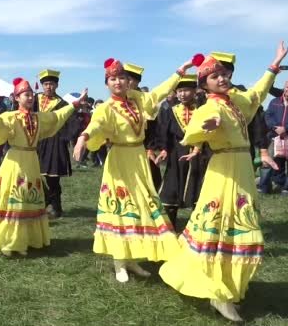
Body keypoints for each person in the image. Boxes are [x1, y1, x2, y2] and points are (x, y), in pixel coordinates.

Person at [159, 42, 288, 322]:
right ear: (204, 85)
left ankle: (229, 288)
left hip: (242, 168)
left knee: (239, 226)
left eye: (224, 74)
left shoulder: (236, 101)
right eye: (215, 76)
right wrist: (204, 130)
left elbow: (257, 94)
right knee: (222, 227)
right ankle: (219, 292)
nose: (222, 78)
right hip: (224, 171)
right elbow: (192, 132)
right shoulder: (209, 108)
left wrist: (273, 66)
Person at [73, 56, 197, 283]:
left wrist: (180, 71)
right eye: (113, 79)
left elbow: (159, 92)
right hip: (119, 161)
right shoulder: (106, 108)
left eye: (122, 78)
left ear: (128, 81)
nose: (118, 82)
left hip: (138, 158)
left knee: (141, 206)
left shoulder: (138, 99)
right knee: (121, 208)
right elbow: (96, 125)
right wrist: (83, 138)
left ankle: (132, 258)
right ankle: (119, 261)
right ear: (107, 83)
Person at [0, 79, 83, 256]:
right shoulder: (11, 116)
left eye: (31, 95)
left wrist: (76, 103)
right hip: (15, 161)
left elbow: (57, 116)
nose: (30, 98)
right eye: (26, 95)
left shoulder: (38, 117)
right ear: (17, 98)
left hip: (31, 161)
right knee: (15, 198)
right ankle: (9, 239)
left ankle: (26, 238)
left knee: (28, 198)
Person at [155, 75, 210, 232]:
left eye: (186, 90)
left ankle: (197, 226)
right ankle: (170, 226)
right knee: (171, 188)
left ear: (194, 91)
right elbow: (165, 133)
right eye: (179, 91)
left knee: (197, 187)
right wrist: (164, 149)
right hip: (176, 153)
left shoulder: (202, 109)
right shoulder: (171, 111)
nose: (182, 94)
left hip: (199, 153)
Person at [34, 69, 75, 219]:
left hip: (53, 143)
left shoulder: (62, 103)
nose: (48, 87)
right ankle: (45, 202)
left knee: (52, 178)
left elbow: (72, 123)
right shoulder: (34, 100)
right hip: (35, 141)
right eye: (45, 84)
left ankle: (56, 207)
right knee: (32, 174)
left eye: (51, 84)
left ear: (56, 85)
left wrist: (64, 138)